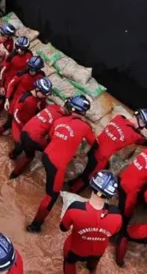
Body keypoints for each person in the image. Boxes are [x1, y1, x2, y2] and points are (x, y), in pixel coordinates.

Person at [27, 95, 96, 232]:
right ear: (83, 112)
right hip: (57, 164)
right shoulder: (85, 127)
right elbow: (93, 143)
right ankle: (34, 226)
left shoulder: (60, 120)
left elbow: (52, 137)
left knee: (50, 185)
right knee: (52, 196)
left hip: (46, 156)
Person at [69, 109, 147, 194]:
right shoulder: (135, 136)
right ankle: (72, 192)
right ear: (141, 122)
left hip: (93, 147)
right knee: (88, 177)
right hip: (101, 158)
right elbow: (144, 142)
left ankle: (72, 182)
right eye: (144, 126)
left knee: (85, 168)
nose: (142, 128)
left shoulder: (118, 118)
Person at [60, 171, 122, 274]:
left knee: (69, 262)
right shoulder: (117, 215)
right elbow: (113, 234)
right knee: (92, 267)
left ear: (92, 184)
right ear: (111, 195)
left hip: (75, 250)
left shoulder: (75, 208)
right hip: (98, 252)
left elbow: (63, 228)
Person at [9, 101, 68, 179]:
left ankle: (11, 156)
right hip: (34, 139)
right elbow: (52, 135)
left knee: (24, 145)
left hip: (24, 131)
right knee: (30, 156)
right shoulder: (60, 118)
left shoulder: (53, 106)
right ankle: (13, 175)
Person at [5, 77, 53, 160]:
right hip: (18, 123)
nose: (44, 96)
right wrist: (22, 126)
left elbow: (42, 109)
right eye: (43, 93)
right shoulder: (24, 98)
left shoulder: (41, 98)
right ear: (37, 89)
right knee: (19, 146)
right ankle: (11, 157)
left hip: (28, 123)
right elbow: (15, 114)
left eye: (46, 94)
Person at [0, 55, 45, 123]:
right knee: (6, 112)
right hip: (17, 95)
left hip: (28, 99)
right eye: (31, 68)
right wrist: (7, 98)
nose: (32, 71)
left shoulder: (41, 76)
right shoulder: (21, 74)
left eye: (34, 70)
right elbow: (11, 84)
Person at [0, 37, 33, 101]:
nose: (19, 50)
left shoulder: (29, 54)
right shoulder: (11, 56)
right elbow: (2, 71)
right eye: (18, 48)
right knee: (6, 97)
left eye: (22, 49)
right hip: (10, 80)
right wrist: (1, 86)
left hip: (20, 81)